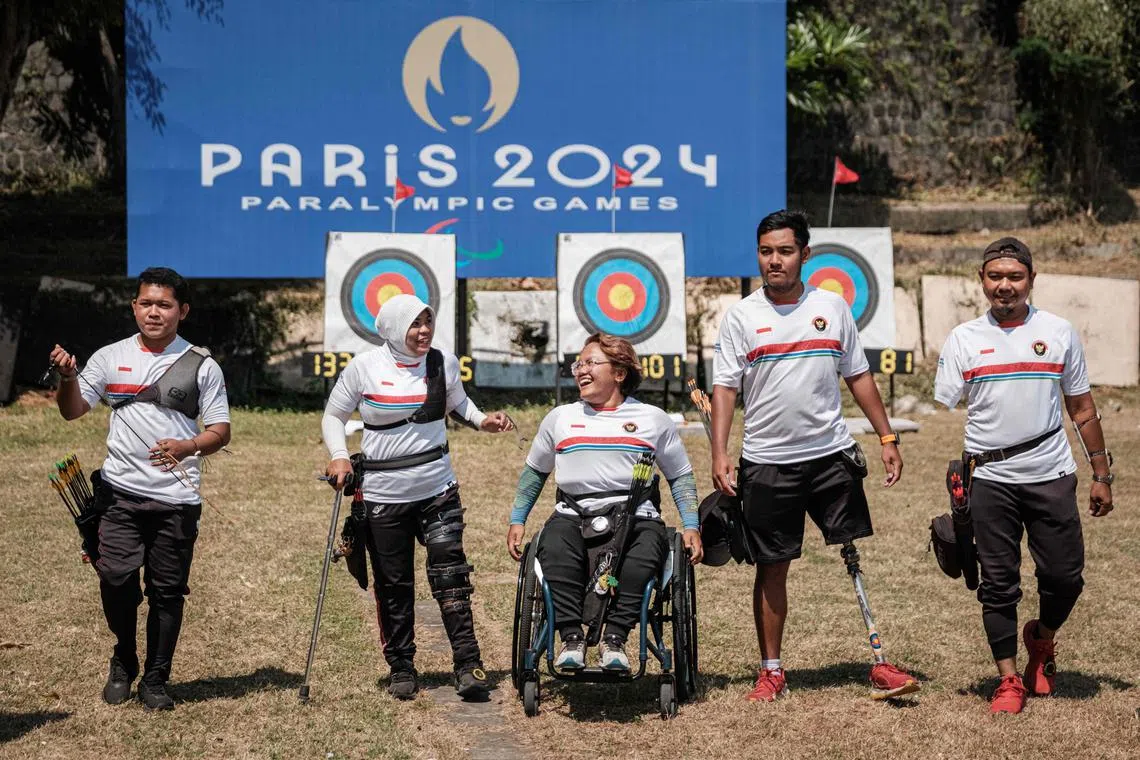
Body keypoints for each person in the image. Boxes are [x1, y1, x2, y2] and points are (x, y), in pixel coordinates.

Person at [710, 209, 917, 702]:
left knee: (851, 553)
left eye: (784, 251)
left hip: (830, 456)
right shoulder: (742, 316)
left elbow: (858, 375)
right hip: (767, 461)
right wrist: (719, 451)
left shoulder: (833, 307)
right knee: (772, 565)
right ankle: (772, 671)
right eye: (765, 252)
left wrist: (887, 437)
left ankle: (880, 662)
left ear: (805, 254)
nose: (774, 261)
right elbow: (724, 388)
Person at [934, 237, 1114, 715]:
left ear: (1031, 280)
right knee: (998, 582)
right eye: (996, 277)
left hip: (1052, 473)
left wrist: (1102, 473)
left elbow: (1080, 405)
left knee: (1065, 576)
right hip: (989, 480)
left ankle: (1043, 637)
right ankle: (1009, 679)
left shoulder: (1058, 331)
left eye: (1015, 277)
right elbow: (948, 399)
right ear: (982, 281)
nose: (1005, 286)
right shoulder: (963, 339)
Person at [49, 267, 231, 711]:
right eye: (146, 303)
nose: (154, 312)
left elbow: (221, 432)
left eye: (164, 304)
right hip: (119, 495)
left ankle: (155, 678)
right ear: (134, 306)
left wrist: (188, 446)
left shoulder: (202, 365)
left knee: (167, 592)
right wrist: (69, 377)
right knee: (115, 578)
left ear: (182, 311)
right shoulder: (110, 357)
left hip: (176, 500)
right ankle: (124, 656)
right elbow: (73, 412)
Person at [322, 294, 513, 701]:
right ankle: (402, 667)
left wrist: (484, 421)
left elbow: (458, 404)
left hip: (438, 491)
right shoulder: (363, 368)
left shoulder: (441, 362)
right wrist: (339, 455)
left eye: (427, 321)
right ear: (392, 328)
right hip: (382, 496)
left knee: (452, 577)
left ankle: (468, 664)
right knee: (394, 584)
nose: (424, 330)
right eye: (414, 323)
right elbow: (333, 416)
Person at [506, 333, 703, 672]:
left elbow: (680, 477)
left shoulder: (653, 419)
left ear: (619, 373)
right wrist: (518, 517)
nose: (581, 370)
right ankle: (571, 638)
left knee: (645, 553)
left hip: (636, 515)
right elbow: (535, 472)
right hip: (572, 513)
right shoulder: (560, 418)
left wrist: (690, 525)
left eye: (590, 363)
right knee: (553, 546)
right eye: (578, 364)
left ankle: (616, 639)